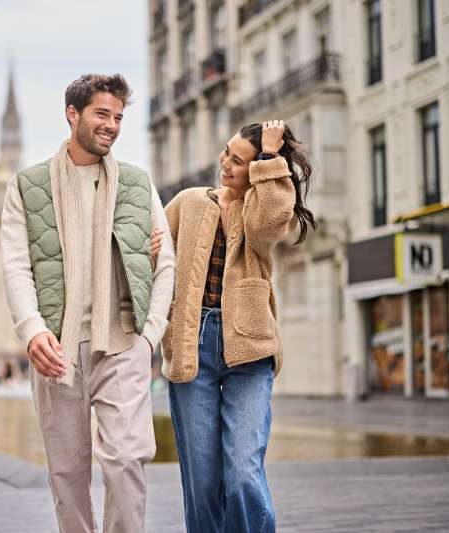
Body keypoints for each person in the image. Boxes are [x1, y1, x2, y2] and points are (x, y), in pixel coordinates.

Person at [0, 73, 175, 533]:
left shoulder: (138, 185)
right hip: (58, 348)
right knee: (67, 473)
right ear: (72, 114)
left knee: (126, 462)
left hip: (122, 343)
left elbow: (166, 264)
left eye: (118, 117)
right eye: (102, 113)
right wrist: (32, 329)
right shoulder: (27, 186)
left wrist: (149, 338)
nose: (112, 125)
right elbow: (17, 265)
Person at [159, 121, 316, 532]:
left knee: (244, 471)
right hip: (192, 345)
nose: (226, 164)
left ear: (258, 171)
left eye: (238, 161)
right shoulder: (188, 203)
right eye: (226, 153)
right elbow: (151, 265)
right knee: (203, 479)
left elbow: (270, 221)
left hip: (250, 346)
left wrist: (268, 155)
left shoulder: (258, 212)